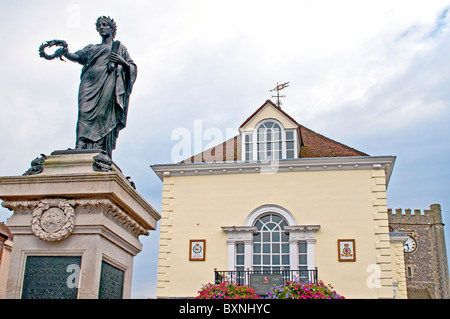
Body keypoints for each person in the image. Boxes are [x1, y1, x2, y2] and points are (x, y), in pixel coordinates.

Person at [63, 16, 137, 158]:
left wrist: (123, 63)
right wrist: (65, 52)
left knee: (103, 114)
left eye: (105, 25)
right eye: (100, 26)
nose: (102, 27)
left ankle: (99, 146)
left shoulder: (119, 49)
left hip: (108, 83)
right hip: (89, 83)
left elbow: (132, 67)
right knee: (84, 111)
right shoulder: (92, 48)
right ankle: (80, 144)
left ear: (112, 29)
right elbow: (78, 57)